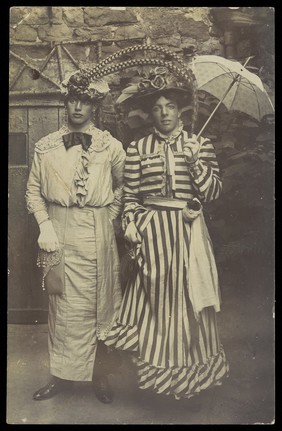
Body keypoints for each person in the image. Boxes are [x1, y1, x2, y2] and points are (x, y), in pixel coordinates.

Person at [104, 66, 229, 400]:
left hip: (189, 233)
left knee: (189, 302)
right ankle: (159, 381)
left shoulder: (199, 144)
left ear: (180, 110)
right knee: (157, 307)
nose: (163, 114)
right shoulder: (137, 148)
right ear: (150, 113)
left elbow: (214, 191)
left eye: (169, 107)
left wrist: (195, 165)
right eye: (157, 108)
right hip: (152, 235)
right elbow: (131, 195)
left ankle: (189, 383)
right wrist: (131, 223)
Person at [25, 70, 126, 403]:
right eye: (73, 101)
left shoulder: (110, 146)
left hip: (98, 234)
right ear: (65, 103)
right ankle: (62, 377)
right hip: (59, 232)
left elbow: (124, 185)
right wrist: (45, 225)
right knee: (63, 307)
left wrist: (108, 218)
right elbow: (34, 190)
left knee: (100, 306)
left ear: (94, 106)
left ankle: (99, 377)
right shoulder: (46, 146)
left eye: (85, 102)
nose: (78, 108)